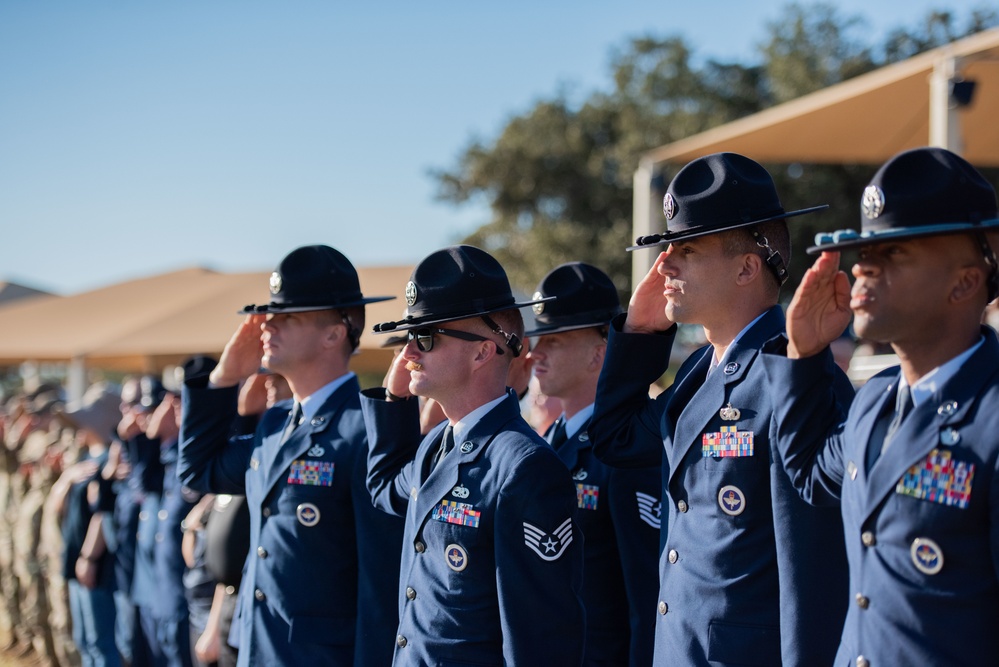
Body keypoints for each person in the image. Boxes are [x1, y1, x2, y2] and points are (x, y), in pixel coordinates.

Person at [590, 152, 853, 665]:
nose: (664, 264)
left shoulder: (795, 373)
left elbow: (814, 572)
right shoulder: (698, 371)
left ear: (746, 267)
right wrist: (642, 336)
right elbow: (617, 439)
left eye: (685, 249)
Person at [760, 146, 999, 666]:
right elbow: (808, 474)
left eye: (894, 254)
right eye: (865, 254)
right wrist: (803, 355)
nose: (864, 270)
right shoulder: (875, 400)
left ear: (965, 282)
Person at [178, 244, 405, 667]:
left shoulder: (367, 428)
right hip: (257, 649)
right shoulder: (275, 421)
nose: (267, 328)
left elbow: (381, 581)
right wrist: (224, 378)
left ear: (334, 333)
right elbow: (199, 469)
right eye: (270, 317)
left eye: (287, 318)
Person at [362, 244, 585, 665]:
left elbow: (541, 638)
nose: (407, 354)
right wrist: (393, 402)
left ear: (483, 351)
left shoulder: (524, 466)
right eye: (409, 337)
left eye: (424, 337)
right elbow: (384, 488)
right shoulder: (434, 445)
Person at [526, 261, 660, 666]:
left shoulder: (625, 454)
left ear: (599, 354)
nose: (536, 354)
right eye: (537, 339)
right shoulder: (544, 442)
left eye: (555, 341)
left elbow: (645, 598)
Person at [50, 382, 123, 667]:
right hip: (78, 559)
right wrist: (67, 478)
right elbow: (57, 506)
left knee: (100, 642)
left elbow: (103, 513)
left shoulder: (110, 461)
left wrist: (89, 558)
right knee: (85, 640)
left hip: (96, 566)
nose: (78, 429)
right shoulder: (83, 459)